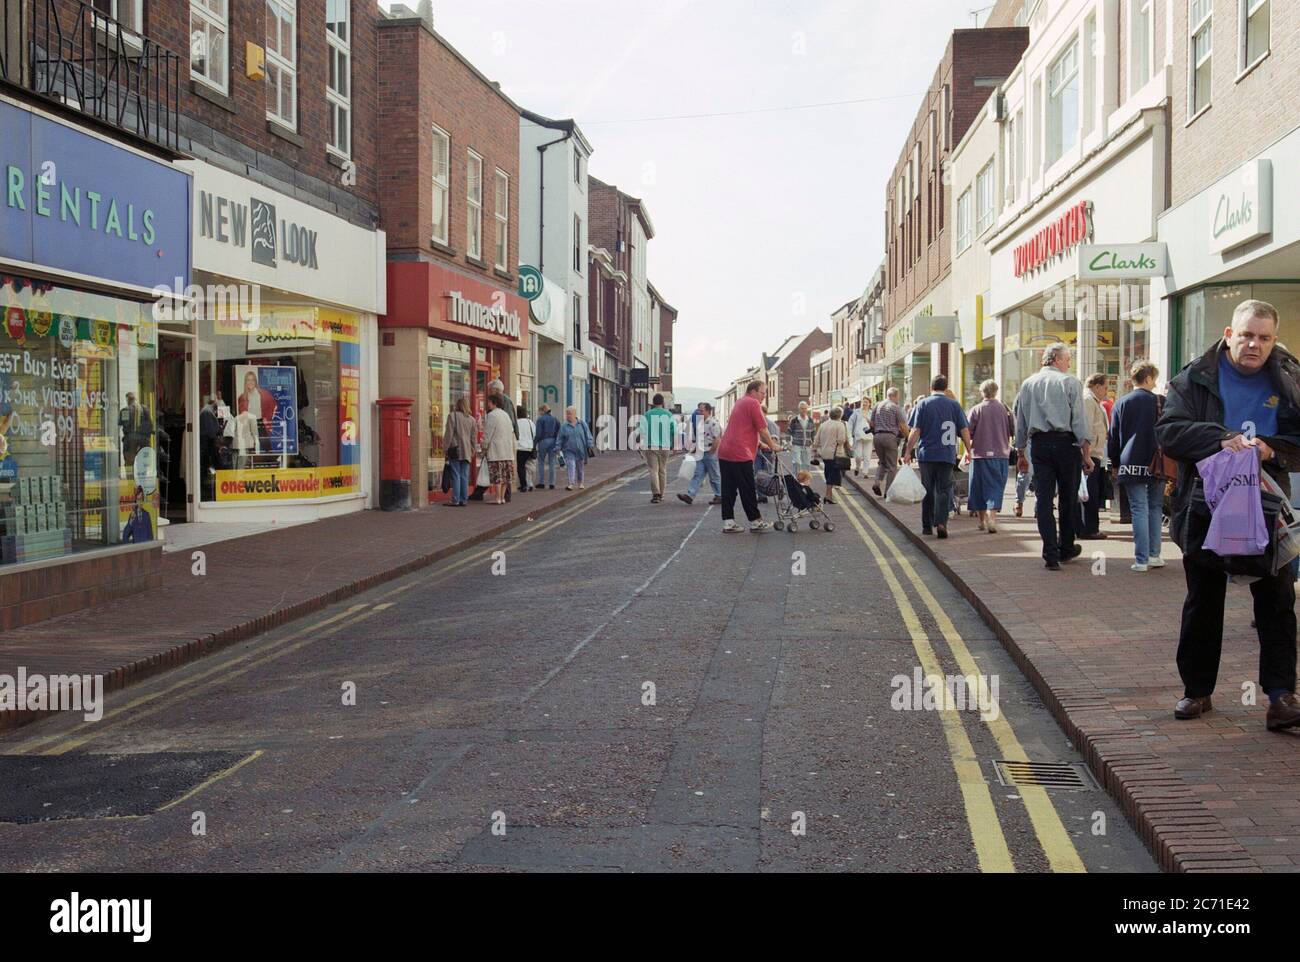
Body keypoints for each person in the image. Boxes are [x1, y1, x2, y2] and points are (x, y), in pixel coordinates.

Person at [1157, 299, 1300, 730]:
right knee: (1204, 601)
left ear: (1274, 339)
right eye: (1246, 335)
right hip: (1205, 507)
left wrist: (1273, 448)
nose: (1254, 345)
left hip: (1267, 507)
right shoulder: (1195, 378)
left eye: (1263, 337)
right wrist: (1220, 440)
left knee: (1277, 603)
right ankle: (1196, 692)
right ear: (1228, 334)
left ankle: (1281, 698)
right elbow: (1168, 433)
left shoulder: (1290, 379)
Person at [1013, 343, 1093, 570]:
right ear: (1057, 359)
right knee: (1068, 498)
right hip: (1066, 444)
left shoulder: (1028, 384)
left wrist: (1020, 452)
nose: (1069, 363)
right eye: (1068, 359)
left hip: (1039, 445)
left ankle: (1050, 553)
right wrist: (1086, 455)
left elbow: (1021, 422)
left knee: (1044, 499)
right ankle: (1066, 547)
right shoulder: (1070, 382)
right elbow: (1079, 421)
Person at [1108, 361, 1163, 571]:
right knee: (1155, 507)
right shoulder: (1161, 402)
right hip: (1156, 463)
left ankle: (1141, 560)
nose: (1155, 383)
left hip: (1129, 461)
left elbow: (1113, 437)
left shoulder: (1122, 402)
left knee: (1138, 508)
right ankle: (1154, 555)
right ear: (1148, 378)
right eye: (1154, 379)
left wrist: (1114, 463)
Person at [903, 375, 972, 539]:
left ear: (931, 387)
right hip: (947, 454)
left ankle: (927, 526)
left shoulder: (923, 404)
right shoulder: (954, 405)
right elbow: (964, 431)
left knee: (927, 489)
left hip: (927, 454)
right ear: (945, 387)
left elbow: (915, 431)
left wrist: (907, 451)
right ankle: (941, 522)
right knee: (944, 489)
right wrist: (969, 449)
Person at [716, 380, 776, 533]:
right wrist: (774, 445)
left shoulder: (740, 402)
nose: (764, 396)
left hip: (725, 450)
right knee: (748, 487)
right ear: (754, 391)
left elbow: (743, 428)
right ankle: (755, 521)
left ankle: (728, 522)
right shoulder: (753, 403)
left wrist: (760, 444)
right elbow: (763, 429)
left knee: (728, 488)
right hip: (739, 453)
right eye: (763, 393)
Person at [966, 380, 1015, 534]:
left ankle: (982, 521)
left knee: (978, 487)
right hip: (1001, 454)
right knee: (996, 486)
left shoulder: (976, 409)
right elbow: (1013, 430)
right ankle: (992, 517)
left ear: (982, 392)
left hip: (979, 454)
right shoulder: (1004, 409)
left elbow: (968, 431)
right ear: (996, 391)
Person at [1077, 373, 1111, 540]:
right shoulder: (1088, 400)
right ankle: (1088, 528)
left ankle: (1088, 527)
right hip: (1091, 453)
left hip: (1095, 451)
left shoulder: (1093, 401)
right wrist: (1087, 454)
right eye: (1105, 387)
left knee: (1091, 491)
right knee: (1089, 492)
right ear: (1096, 386)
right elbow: (1087, 428)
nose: (1107, 391)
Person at [679, 402, 722, 505]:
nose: (699, 412)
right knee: (697, 474)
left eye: (701, 410)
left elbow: (717, 438)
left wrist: (712, 451)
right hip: (700, 452)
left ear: (708, 411)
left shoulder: (713, 423)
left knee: (714, 475)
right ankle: (690, 495)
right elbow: (697, 438)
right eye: (698, 410)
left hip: (710, 453)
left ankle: (720, 495)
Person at [870, 387, 906, 497]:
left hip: (877, 437)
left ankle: (877, 483)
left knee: (882, 462)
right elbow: (903, 426)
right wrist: (908, 437)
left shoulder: (877, 406)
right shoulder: (895, 408)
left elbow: (871, 423)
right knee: (891, 466)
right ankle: (888, 492)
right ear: (895, 396)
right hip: (890, 437)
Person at [480, 394, 515, 505]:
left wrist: (484, 446)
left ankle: (497, 498)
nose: (488, 404)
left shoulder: (492, 415)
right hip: (507, 450)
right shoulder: (506, 415)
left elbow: (488, 433)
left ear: (494, 403)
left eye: (489, 402)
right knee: (505, 477)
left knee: (497, 476)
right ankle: (502, 498)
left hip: (496, 450)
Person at [641, 393, 676, 504]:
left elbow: (642, 430)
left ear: (653, 402)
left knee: (653, 470)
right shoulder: (669, 415)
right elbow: (673, 430)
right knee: (662, 470)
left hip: (651, 446)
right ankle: (662, 494)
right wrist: (673, 445)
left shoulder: (647, 414)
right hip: (665, 446)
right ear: (662, 402)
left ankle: (656, 494)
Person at [442, 397, 476, 507]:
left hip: (455, 450)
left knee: (455, 474)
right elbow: (473, 438)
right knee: (464, 475)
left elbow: (449, 435)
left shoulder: (453, 416)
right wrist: (473, 449)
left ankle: (455, 499)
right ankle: (464, 499)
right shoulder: (472, 420)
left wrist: (445, 448)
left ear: (458, 405)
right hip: (467, 451)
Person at [813, 406, 850, 505]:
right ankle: (828, 496)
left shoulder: (823, 425)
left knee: (828, 472)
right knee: (832, 474)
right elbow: (841, 440)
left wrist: (814, 450)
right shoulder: (840, 425)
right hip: (835, 454)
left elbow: (816, 439)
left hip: (825, 453)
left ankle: (828, 495)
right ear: (840, 415)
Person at [558, 405, 594, 490]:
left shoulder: (582, 424)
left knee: (580, 468)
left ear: (574, 414)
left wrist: (590, 444)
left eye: (569, 414)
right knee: (571, 465)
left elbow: (588, 435)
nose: (568, 416)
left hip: (581, 450)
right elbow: (559, 438)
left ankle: (581, 482)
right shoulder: (564, 426)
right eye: (566, 414)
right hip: (568, 450)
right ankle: (571, 483)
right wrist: (557, 447)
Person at [118, 391, 154, 464]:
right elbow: (151, 425)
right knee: (143, 462)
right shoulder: (145, 409)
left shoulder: (125, 410)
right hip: (144, 439)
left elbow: (125, 424)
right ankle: (142, 474)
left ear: (128, 399)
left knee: (129, 462)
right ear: (136, 399)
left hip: (130, 439)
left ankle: (130, 475)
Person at [533, 404, 561, 490]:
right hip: (553, 440)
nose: (539, 413)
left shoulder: (540, 419)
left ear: (542, 410)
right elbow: (559, 431)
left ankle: (541, 482)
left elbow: (538, 434)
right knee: (552, 462)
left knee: (541, 461)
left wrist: (534, 444)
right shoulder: (555, 419)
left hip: (543, 441)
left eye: (539, 411)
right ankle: (552, 483)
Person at [848, 398, 873, 477]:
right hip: (858, 436)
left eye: (866, 402)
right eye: (863, 402)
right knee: (858, 455)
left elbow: (874, 424)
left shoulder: (871, 413)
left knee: (867, 456)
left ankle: (865, 472)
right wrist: (849, 435)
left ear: (869, 404)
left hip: (869, 436)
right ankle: (858, 467)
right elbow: (850, 423)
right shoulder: (856, 412)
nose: (864, 403)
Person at [788, 402, 815, 474]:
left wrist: (814, 445)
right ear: (799, 409)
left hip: (807, 445)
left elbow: (813, 433)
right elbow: (789, 432)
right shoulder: (794, 420)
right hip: (796, 445)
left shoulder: (810, 420)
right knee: (797, 462)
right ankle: (796, 480)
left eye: (805, 408)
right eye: (802, 409)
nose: (804, 410)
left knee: (806, 464)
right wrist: (789, 443)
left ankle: (806, 481)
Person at [516, 405, 536, 492]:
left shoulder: (516, 423)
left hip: (520, 447)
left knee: (521, 467)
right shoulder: (530, 422)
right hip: (530, 447)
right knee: (529, 466)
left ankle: (523, 485)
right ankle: (530, 483)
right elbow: (534, 434)